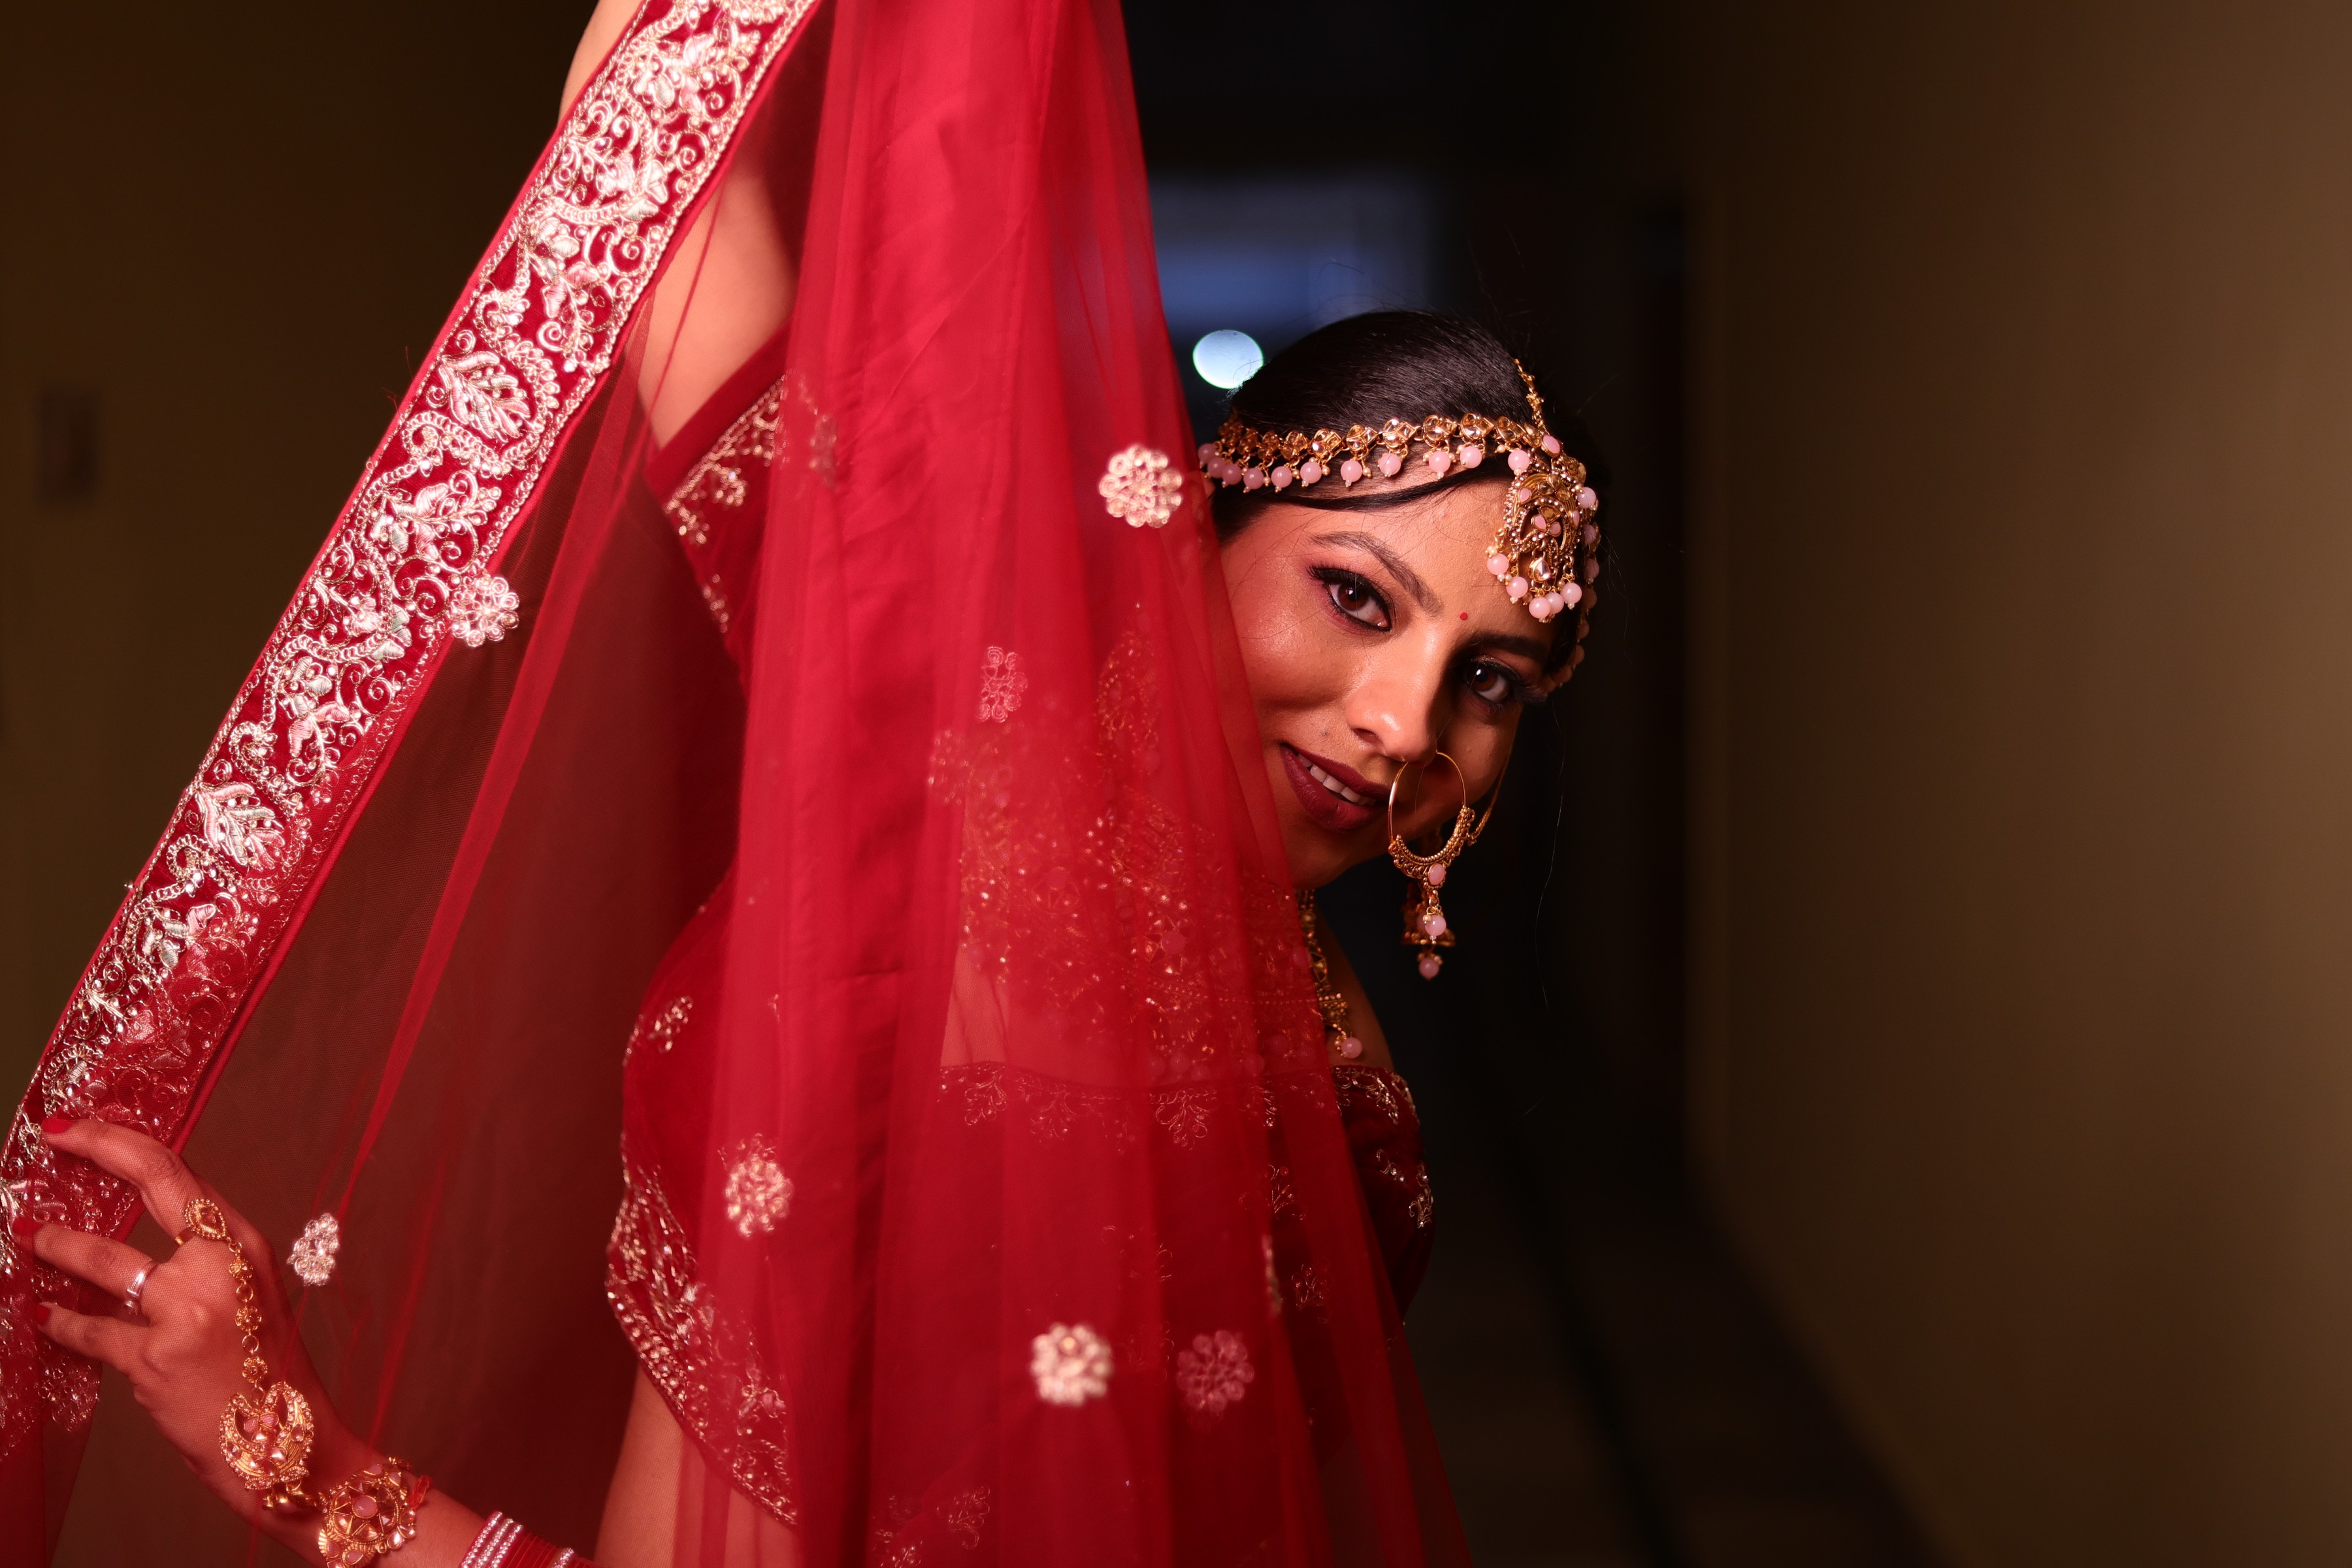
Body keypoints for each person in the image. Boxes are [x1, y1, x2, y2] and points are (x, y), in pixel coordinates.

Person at [0, 0, 1599, 1562]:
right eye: (1357, 598)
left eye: (1492, 681)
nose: (1405, 724)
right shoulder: (950, 857)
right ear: (1183, 532)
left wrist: (301, 1464)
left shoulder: (1302, 1046)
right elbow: (656, 146)